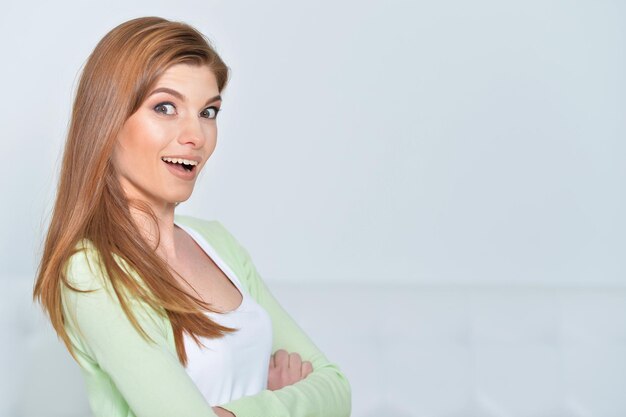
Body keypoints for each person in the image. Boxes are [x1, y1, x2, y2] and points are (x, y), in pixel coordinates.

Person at [33, 16, 351, 417]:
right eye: (165, 107)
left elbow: (336, 389)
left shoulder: (217, 243)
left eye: (208, 112)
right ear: (107, 121)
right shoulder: (91, 270)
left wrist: (235, 411)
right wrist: (280, 401)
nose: (196, 136)